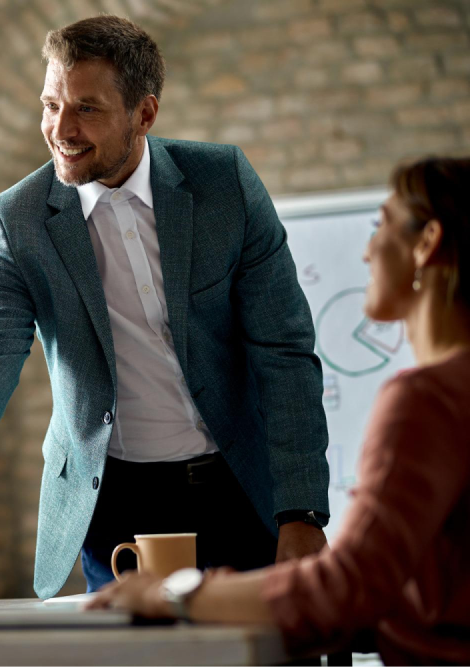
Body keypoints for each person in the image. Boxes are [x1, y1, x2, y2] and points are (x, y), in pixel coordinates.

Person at [0, 14, 330, 598]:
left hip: (239, 485)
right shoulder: (16, 219)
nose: (60, 127)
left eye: (87, 108)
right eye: (51, 104)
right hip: (114, 506)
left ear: (145, 113)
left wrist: (301, 511)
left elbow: (283, 351)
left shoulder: (223, 184)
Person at [88, 157, 470, 666]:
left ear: (426, 244)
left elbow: (349, 586)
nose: (367, 250)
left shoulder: (426, 401)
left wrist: (169, 594)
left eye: (382, 226)